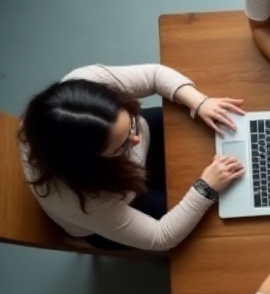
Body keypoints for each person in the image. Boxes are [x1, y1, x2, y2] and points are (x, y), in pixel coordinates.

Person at [19, 64, 246, 251]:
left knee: (195, 134)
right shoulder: (84, 202)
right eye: (122, 144)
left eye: (131, 123)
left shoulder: (85, 86)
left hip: (117, 175)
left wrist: (200, 101)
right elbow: (161, 237)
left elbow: (155, 76)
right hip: (119, 204)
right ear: (90, 160)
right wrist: (205, 188)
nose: (136, 140)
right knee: (209, 224)